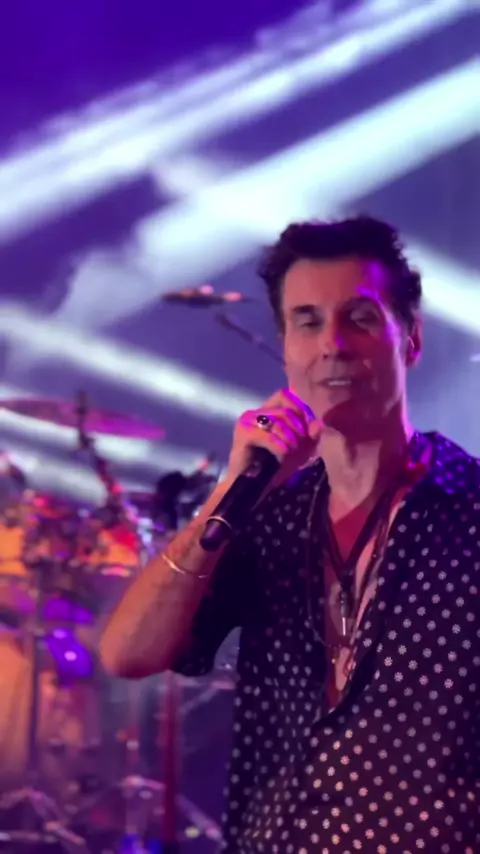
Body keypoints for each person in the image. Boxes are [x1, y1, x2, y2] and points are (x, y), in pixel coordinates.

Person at [100, 215, 480, 853]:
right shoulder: (264, 516)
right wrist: (232, 489)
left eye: (359, 318)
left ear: (410, 338)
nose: (332, 343)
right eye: (307, 322)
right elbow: (127, 654)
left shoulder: (469, 508)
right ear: (285, 346)